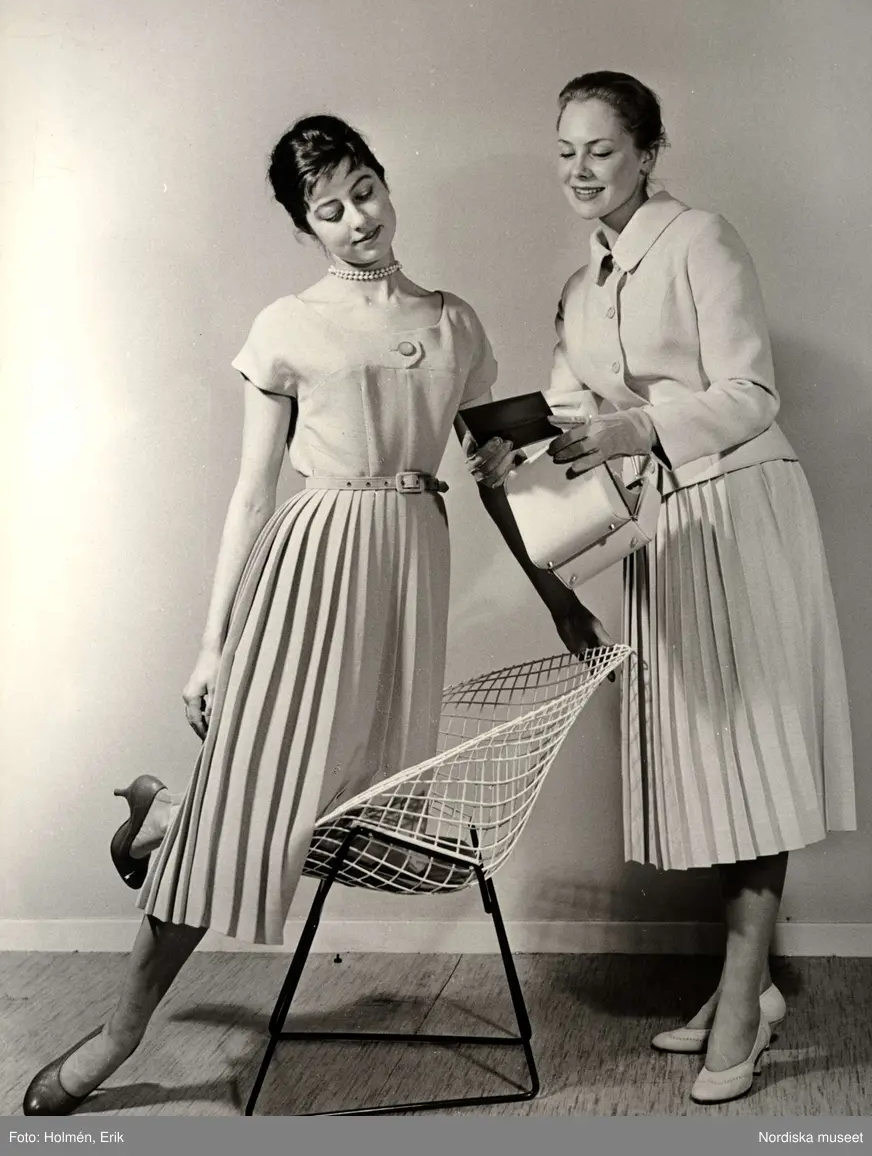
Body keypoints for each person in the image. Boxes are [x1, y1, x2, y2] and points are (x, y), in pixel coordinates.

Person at [23, 114, 596, 1116]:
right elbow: (252, 494)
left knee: (349, 809)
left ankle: (168, 815)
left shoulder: (454, 323)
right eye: (328, 210)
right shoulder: (286, 325)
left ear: (385, 183)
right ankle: (117, 1035)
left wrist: (557, 596)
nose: (356, 219)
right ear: (305, 226)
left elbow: (493, 478)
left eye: (363, 191)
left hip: (409, 570)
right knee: (250, 813)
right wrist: (211, 647)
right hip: (313, 566)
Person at [470, 71, 856, 1105]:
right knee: (712, 760)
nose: (579, 170)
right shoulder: (582, 286)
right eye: (564, 153)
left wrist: (634, 427)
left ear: (647, 153)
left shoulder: (700, 240)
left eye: (599, 150)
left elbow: (750, 391)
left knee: (753, 749)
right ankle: (747, 983)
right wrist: (514, 452)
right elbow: (569, 419)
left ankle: (742, 1003)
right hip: (664, 528)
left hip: (739, 507)